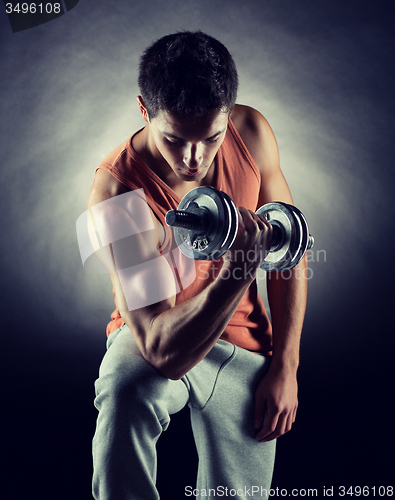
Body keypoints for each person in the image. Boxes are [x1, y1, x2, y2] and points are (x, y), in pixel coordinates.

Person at [88, 31, 308, 500]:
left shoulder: (250, 132)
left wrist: (285, 367)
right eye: (175, 138)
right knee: (126, 391)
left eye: (211, 137)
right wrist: (239, 269)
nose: (195, 158)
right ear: (145, 110)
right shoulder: (117, 194)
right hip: (153, 336)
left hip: (243, 346)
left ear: (229, 112)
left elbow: (290, 252)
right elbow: (162, 349)